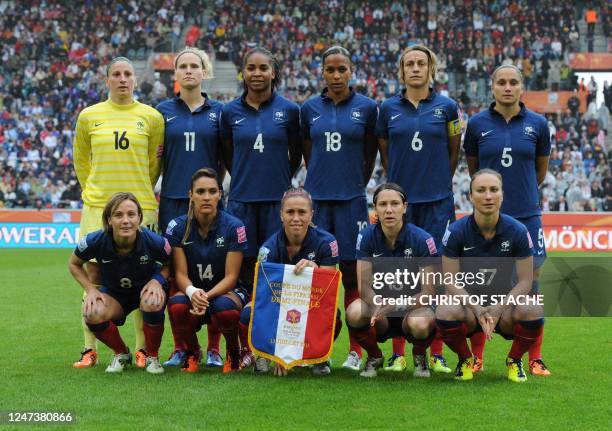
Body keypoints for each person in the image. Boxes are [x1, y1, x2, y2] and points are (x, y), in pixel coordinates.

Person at [72, 56, 164, 369]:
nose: (122, 79)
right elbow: (81, 161)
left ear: (135, 80)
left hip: (141, 207)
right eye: (116, 74)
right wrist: (96, 194)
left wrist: (136, 197)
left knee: (144, 274)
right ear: (107, 79)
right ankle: (89, 349)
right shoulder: (89, 116)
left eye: (127, 74)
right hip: (98, 205)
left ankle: (141, 349)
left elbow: (154, 164)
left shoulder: (151, 117)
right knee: (94, 275)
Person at [376, 45, 462, 373]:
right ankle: (399, 351)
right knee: (398, 273)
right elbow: (385, 153)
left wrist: (437, 182)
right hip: (400, 203)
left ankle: (436, 351)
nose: (415, 68)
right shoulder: (387, 109)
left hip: (438, 201)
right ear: (402, 71)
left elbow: (452, 153)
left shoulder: (447, 107)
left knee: (437, 274)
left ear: (431, 69)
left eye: (421, 63)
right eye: (409, 64)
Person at [464, 64, 552, 376]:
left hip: (527, 215)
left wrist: (521, 195)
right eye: (501, 82)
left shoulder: (538, 124)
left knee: (533, 284)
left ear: (521, 87)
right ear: (493, 87)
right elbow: (476, 169)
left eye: (513, 82)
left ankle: (534, 358)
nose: (507, 87)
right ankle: (477, 356)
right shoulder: (476, 124)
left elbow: (539, 170)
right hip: (488, 217)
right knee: (480, 283)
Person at [300, 46, 378, 372]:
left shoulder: (368, 108)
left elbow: (371, 153)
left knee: (352, 276)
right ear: (322, 72)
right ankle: (319, 352)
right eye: (330, 70)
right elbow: (306, 151)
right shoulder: (308, 109)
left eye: (342, 69)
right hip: (317, 202)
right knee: (319, 277)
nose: (336, 75)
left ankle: (356, 351)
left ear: (351, 71)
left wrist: (353, 183)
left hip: (352, 201)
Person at [221, 47, 301, 361]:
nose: (257, 74)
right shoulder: (230, 112)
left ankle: (276, 342)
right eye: (251, 68)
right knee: (243, 276)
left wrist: (278, 178)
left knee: (276, 274)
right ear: (243, 72)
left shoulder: (290, 110)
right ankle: (246, 347)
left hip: (276, 204)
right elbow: (228, 154)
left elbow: (296, 154)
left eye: (263, 68)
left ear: (273, 72)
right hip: (241, 203)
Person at [436, 169, 544, 382]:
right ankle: (466, 359)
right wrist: (476, 308)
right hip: (468, 308)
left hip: (504, 310)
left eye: (494, 190)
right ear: (470, 196)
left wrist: (498, 308)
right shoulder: (456, 232)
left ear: (502, 195)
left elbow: (525, 281)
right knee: (445, 309)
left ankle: (514, 360)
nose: (488, 196)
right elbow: (449, 280)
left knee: (533, 308)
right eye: (481, 190)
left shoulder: (518, 231)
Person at [156, 47, 226, 368]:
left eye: (194, 66)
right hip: (172, 202)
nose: (188, 71)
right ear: (175, 74)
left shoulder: (219, 113)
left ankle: (213, 348)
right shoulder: (162, 112)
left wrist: (210, 193)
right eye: (182, 66)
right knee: (175, 276)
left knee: (212, 271)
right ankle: (183, 347)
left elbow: (224, 160)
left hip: (209, 205)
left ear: (204, 72)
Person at [240, 187, 342, 376]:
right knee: (249, 312)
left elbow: (328, 293)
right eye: (290, 212)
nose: (296, 218)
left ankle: (318, 357)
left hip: (312, 304)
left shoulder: (327, 243)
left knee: (333, 315)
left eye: (302, 212)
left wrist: (315, 269)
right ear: (281, 215)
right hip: (277, 304)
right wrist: (281, 354)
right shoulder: (267, 249)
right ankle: (265, 354)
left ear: (311, 214)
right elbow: (264, 297)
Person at [68, 193, 171, 374]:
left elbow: (171, 264)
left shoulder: (153, 241)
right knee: (91, 312)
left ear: (139, 218)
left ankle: (152, 357)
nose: (125, 220)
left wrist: (157, 280)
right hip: (115, 296)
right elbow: (73, 264)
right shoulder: (96, 240)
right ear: (109, 219)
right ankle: (122, 353)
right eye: (118, 215)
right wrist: (90, 290)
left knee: (152, 301)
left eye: (131, 214)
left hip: (145, 293)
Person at [346, 183, 439, 378]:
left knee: (421, 323)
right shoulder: (365, 237)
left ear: (405, 207)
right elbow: (363, 286)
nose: (389, 209)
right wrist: (379, 303)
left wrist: (397, 304)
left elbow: (429, 292)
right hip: (380, 311)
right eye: (383, 204)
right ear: (375, 209)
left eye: (395, 203)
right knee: (354, 311)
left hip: (414, 309)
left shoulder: (422, 239)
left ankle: (420, 356)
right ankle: (374, 356)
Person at [163, 168, 247, 373]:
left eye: (212, 191)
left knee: (225, 308)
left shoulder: (234, 227)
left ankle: (233, 352)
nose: (206, 197)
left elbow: (232, 277)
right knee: (176, 305)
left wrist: (205, 297)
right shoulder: (177, 227)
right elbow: (180, 274)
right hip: (194, 290)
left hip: (226, 292)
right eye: (200, 192)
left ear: (220, 194)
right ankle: (193, 352)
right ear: (190, 195)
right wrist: (192, 293)